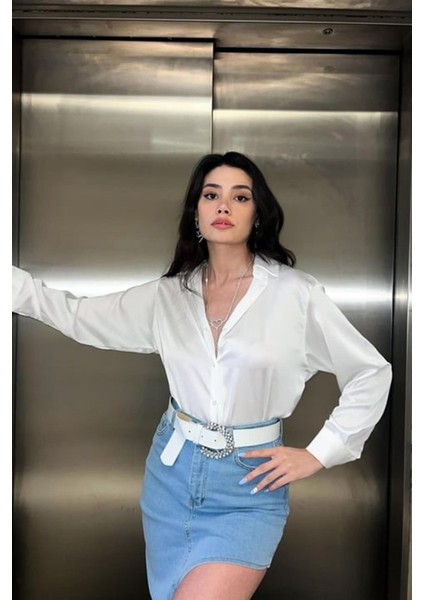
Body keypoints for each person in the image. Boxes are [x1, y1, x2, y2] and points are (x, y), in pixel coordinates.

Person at [12, 151, 392, 600]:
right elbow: (77, 315)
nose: (224, 205)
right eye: (211, 195)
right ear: (196, 211)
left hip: (248, 487)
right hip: (170, 477)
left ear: (258, 214)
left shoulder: (296, 294)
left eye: (240, 196)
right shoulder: (169, 296)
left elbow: (370, 371)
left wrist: (319, 453)